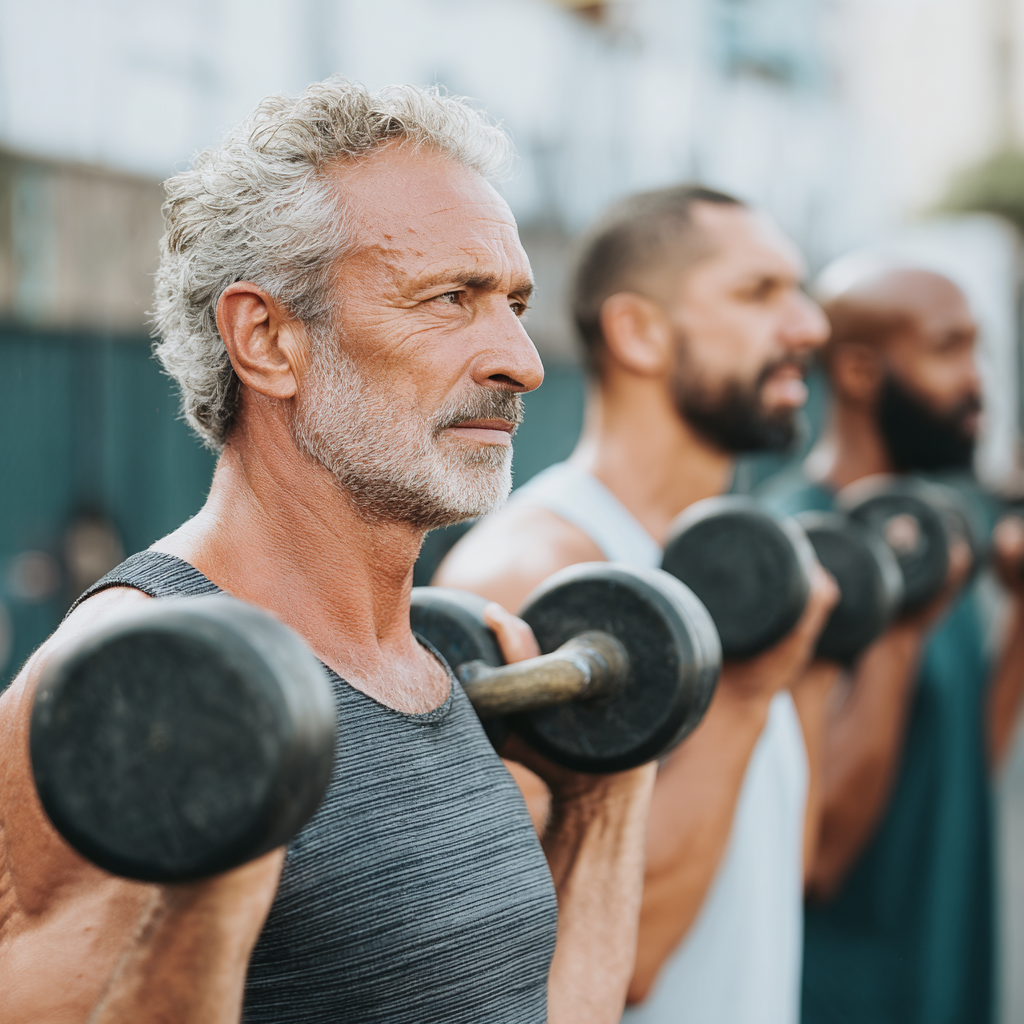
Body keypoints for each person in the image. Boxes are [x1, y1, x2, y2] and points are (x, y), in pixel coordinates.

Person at [0, 79, 659, 1024]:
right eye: (450, 299)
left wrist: (604, 796)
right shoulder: (127, 685)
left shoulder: (424, 665)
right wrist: (219, 878)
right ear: (267, 340)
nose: (522, 358)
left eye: (513, 301)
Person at [436, 185, 838, 1024]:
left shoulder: (750, 584)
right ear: (638, 332)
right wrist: (751, 690)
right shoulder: (527, 577)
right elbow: (613, 963)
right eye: (759, 293)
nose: (810, 327)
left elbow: (774, 879)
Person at [759, 265, 1024, 1024]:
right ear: (858, 369)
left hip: (949, 973)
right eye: (948, 350)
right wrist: (899, 630)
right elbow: (818, 855)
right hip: (845, 994)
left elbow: (962, 763)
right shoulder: (792, 548)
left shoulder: (926, 535)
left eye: (978, 352)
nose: (977, 384)